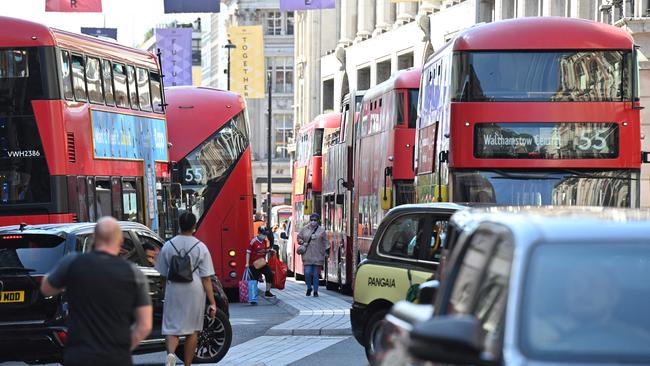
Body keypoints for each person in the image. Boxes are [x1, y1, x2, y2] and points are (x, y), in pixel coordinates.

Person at [40, 217, 152, 366]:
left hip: (80, 356)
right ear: (120, 242)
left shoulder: (72, 263)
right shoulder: (133, 273)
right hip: (117, 357)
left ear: (94, 238)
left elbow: (46, 289)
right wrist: (123, 347)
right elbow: (145, 325)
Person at [155, 212, 217, 366]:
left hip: (174, 289)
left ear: (179, 225)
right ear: (194, 226)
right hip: (194, 290)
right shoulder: (201, 247)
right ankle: (187, 364)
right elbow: (206, 278)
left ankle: (170, 354)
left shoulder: (168, 245)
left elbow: (162, 273)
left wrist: (164, 288)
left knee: (171, 328)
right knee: (193, 331)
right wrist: (212, 302)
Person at [297, 213, 329, 297]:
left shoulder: (321, 230)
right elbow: (299, 237)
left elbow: (326, 241)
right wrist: (302, 242)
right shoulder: (304, 229)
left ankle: (315, 291)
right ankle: (308, 287)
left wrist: (326, 251)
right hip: (307, 254)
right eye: (312, 220)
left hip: (318, 254)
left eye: (315, 220)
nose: (313, 222)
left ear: (318, 221)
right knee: (307, 273)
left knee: (315, 274)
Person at [246, 225, 276, 301]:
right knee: (254, 280)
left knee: (269, 274)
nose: (264, 236)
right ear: (259, 233)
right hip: (253, 264)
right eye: (263, 234)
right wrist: (247, 263)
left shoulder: (265, 241)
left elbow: (264, 251)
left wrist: (269, 251)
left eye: (265, 234)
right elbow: (248, 252)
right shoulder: (253, 241)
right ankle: (253, 296)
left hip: (262, 263)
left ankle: (268, 291)